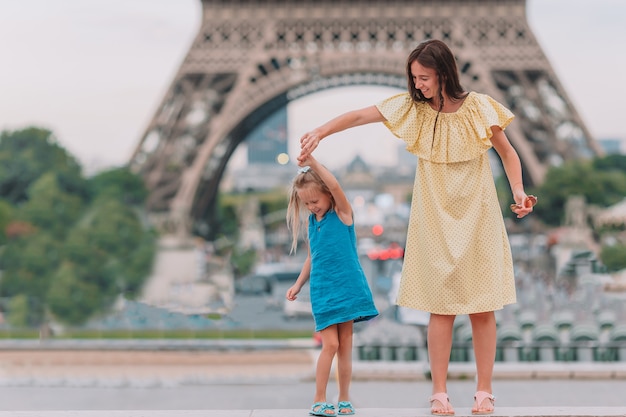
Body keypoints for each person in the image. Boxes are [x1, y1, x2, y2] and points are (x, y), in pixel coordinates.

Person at [298, 39, 537, 416]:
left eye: (423, 77)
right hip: (434, 213)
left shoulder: (479, 107)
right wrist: (320, 132)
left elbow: (507, 152)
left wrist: (520, 193)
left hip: (478, 210)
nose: (418, 84)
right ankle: (439, 393)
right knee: (439, 307)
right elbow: (360, 116)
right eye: (414, 78)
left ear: (443, 73)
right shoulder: (413, 109)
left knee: (483, 307)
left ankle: (484, 391)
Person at [285, 154, 379, 416]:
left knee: (346, 348)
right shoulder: (311, 223)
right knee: (332, 345)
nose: (311, 206)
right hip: (324, 291)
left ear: (328, 195)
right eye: (306, 203)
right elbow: (311, 259)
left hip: (348, 287)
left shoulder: (343, 214)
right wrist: (298, 285)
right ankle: (319, 398)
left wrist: (313, 163)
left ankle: (344, 399)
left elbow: (336, 185)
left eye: (314, 201)